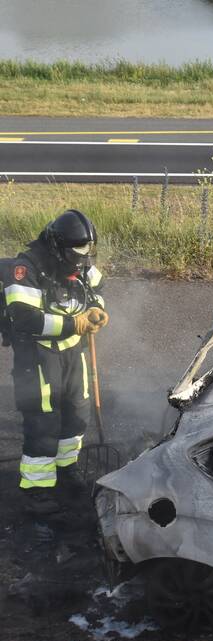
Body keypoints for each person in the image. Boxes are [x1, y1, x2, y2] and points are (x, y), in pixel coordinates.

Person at [2, 210, 109, 537]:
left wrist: (98, 310)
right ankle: (37, 491)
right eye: (75, 255)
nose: (81, 262)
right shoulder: (26, 270)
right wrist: (71, 324)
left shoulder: (77, 262)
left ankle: (67, 468)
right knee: (43, 422)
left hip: (72, 354)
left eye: (85, 255)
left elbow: (98, 287)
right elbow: (25, 319)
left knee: (76, 413)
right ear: (57, 246)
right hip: (37, 358)